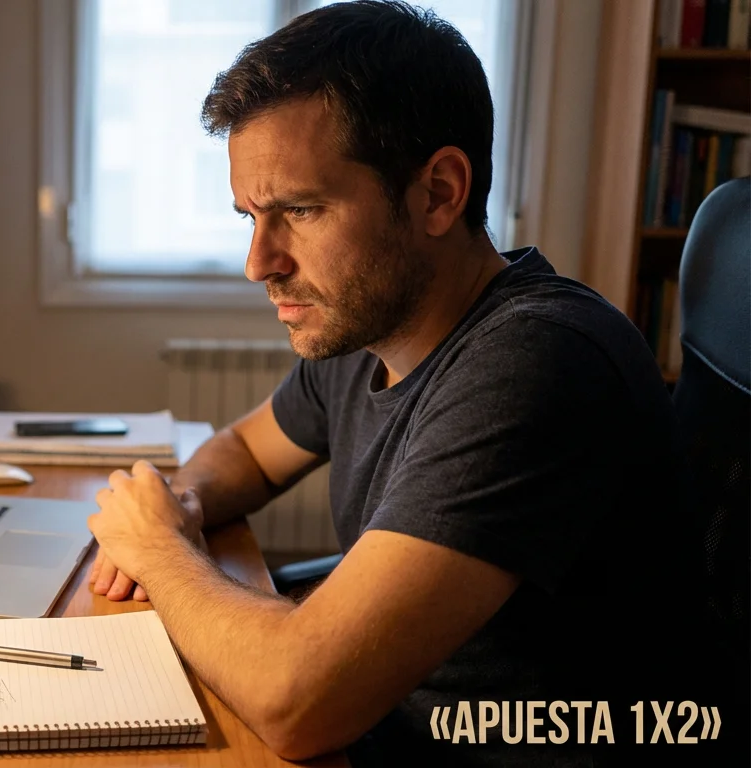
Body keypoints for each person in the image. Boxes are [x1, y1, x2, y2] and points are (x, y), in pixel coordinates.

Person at [84, 3, 715, 766]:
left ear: (439, 193)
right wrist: (182, 506)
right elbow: (248, 452)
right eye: (250, 217)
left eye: (301, 210)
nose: (260, 262)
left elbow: (299, 699)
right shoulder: (372, 322)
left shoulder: (539, 361)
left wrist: (159, 548)